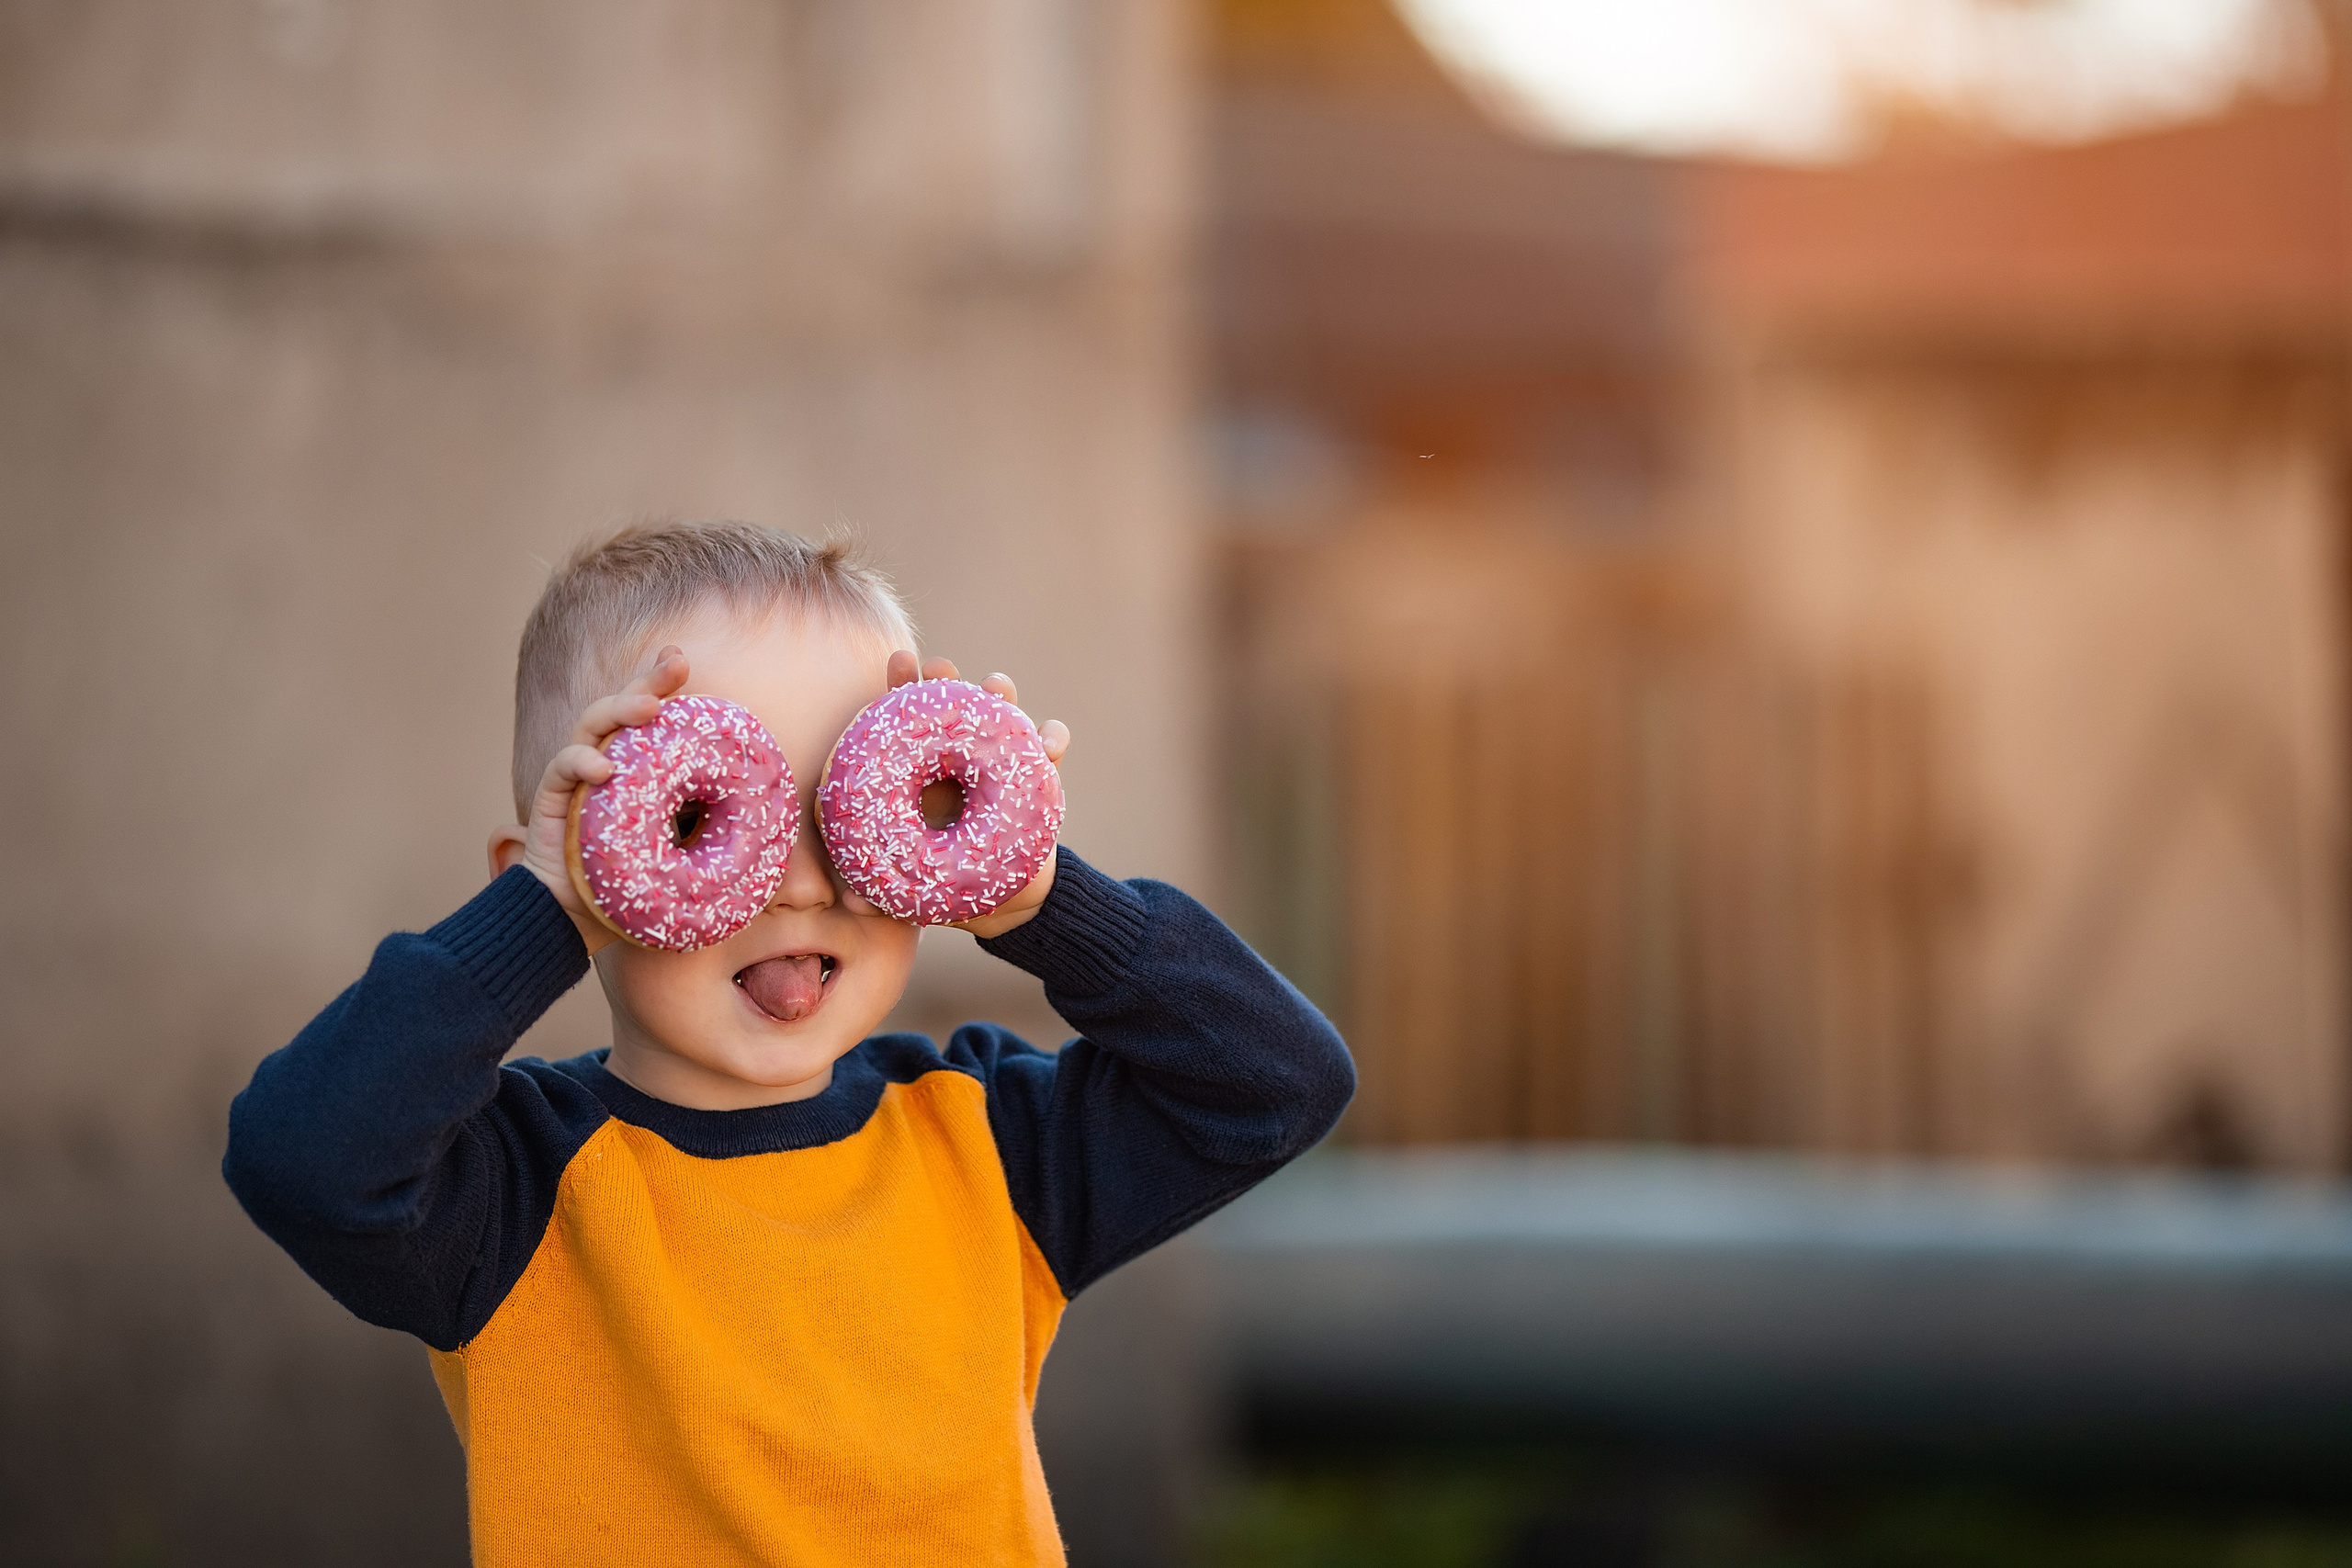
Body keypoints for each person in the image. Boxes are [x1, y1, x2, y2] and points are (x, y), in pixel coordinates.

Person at [223, 521, 1353, 1566]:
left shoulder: (987, 1147)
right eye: (701, 818)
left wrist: (1044, 897)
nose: (805, 882)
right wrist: (545, 914)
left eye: (850, 811)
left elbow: (1277, 1084)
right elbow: (299, 1159)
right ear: (545, 873)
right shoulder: (511, 1197)